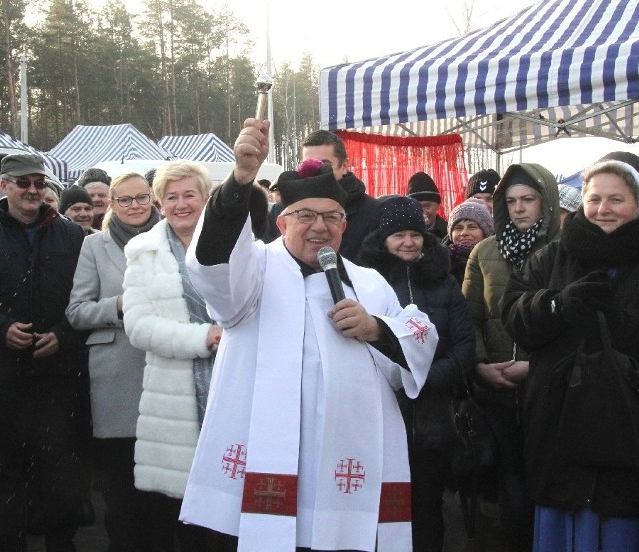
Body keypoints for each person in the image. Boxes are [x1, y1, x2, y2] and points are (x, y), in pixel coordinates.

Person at [179, 118, 438, 552]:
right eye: (305, 216)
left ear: (344, 225)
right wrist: (241, 178)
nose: (320, 227)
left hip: (338, 462)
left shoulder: (368, 282)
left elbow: (420, 337)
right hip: (265, 460)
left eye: (332, 217)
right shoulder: (255, 269)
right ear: (281, 223)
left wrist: (377, 329)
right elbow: (212, 265)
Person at [500, 151, 639, 551]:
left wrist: (617, 323)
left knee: (619, 522)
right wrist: (557, 305)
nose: (603, 209)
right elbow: (513, 312)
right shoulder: (554, 254)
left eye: (616, 199)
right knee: (560, 516)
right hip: (557, 422)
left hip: (631, 428)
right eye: (595, 198)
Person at [0, 153, 90, 552]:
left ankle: (62, 545)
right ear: (3, 187)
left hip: (59, 377)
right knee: (6, 470)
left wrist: (64, 334)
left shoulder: (72, 236)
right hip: (1, 377)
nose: (32, 190)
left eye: (38, 182)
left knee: (61, 469)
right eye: (22, 182)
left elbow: (89, 297)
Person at [359, 196, 475, 552]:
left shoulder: (445, 283)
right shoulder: (367, 284)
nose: (408, 242)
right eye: (398, 235)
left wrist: (422, 381)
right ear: (384, 239)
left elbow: (465, 349)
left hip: (432, 420)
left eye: (415, 234)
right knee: (380, 511)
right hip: (380, 418)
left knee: (426, 508)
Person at [121, 160, 223, 551]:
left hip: (230, 384)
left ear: (206, 198)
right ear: (160, 203)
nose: (181, 204)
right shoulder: (142, 253)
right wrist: (204, 337)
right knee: (181, 518)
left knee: (229, 510)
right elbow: (139, 326)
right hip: (173, 398)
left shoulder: (234, 243)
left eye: (189, 195)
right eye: (171, 197)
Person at [462, 162, 560, 551]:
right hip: (496, 391)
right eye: (511, 200)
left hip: (549, 389)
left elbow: (572, 322)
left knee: (544, 483)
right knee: (508, 484)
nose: (519, 208)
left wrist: (534, 367)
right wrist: (482, 365)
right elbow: (469, 316)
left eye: (529, 199)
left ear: (546, 202)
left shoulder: (565, 251)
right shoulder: (485, 252)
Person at [66, 171, 161, 551]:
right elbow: (76, 312)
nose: (135, 206)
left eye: (142, 198)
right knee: (121, 492)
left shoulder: (173, 239)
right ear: (112, 204)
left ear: (152, 199)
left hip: (166, 373)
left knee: (163, 493)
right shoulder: (95, 247)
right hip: (116, 378)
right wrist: (118, 306)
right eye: (126, 199)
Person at [262, 129, 380, 262]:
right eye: (309, 164)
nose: (318, 170)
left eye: (325, 165)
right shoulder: (281, 211)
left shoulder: (373, 212)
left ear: (344, 166)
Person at [444, 197, 494, 282]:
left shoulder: (498, 260)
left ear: (486, 233)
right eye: (458, 228)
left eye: (472, 227)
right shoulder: (440, 264)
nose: (464, 233)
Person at [407, 171, 448, 239]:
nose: (422, 211)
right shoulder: (401, 231)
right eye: (416, 206)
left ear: (438, 206)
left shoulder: (448, 232)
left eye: (427, 206)